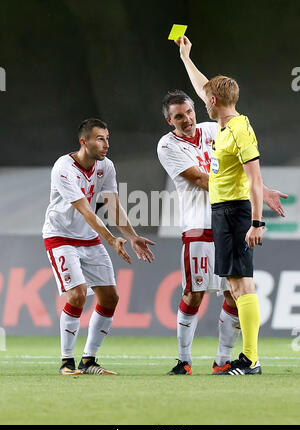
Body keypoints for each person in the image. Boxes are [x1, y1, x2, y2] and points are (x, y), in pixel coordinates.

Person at [174, 36, 288, 375]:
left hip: (237, 213)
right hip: (222, 212)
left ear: (213, 100)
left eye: (205, 99)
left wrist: (257, 222)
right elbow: (202, 86)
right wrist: (185, 57)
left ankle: (251, 359)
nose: (201, 102)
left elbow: (254, 178)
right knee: (236, 286)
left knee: (242, 286)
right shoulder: (223, 125)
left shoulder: (239, 129)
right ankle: (248, 357)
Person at [42, 118, 155, 375]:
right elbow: (86, 211)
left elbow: (113, 205)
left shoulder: (106, 167)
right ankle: (66, 362)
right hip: (61, 237)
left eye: (107, 139)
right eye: (100, 139)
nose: (106, 144)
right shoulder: (64, 167)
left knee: (110, 298)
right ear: (84, 142)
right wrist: (112, 239)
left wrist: (132, 236)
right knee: (77, 294)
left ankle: (89, 361)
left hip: (88, 238)